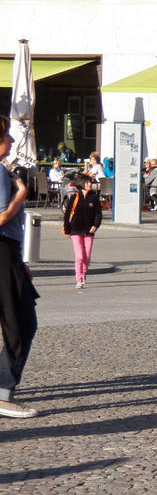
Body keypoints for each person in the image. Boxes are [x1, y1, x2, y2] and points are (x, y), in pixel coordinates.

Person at [0, 115, 40, 419]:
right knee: (21, 324)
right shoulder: (1, 173)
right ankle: (2, 394)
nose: (12, 142)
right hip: (2, 253)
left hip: (8, 254)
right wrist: (21, 195)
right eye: (7, 137)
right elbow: (0, 218)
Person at [62, 173, 102, 289]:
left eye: (90, 182)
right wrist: (67, 229)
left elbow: (98, 213)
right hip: (76, 230)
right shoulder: (75, 197)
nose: (90, 184)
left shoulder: (94, 197)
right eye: (87, 182)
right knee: (79, 256)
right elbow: (67, 214)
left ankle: (84, 273)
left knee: (87, 256)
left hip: (89, 230)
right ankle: (79, 278)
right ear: (82, 184)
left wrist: (96, 225)